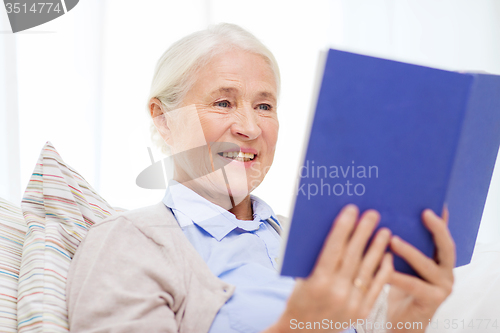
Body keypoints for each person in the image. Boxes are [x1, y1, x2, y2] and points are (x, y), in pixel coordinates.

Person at [66, 23, 455, 333]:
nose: (250, 128)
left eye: (264, 105)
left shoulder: (317, 237)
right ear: (162, 119)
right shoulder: (130, 240)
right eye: (223, 102)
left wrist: (410, 318)